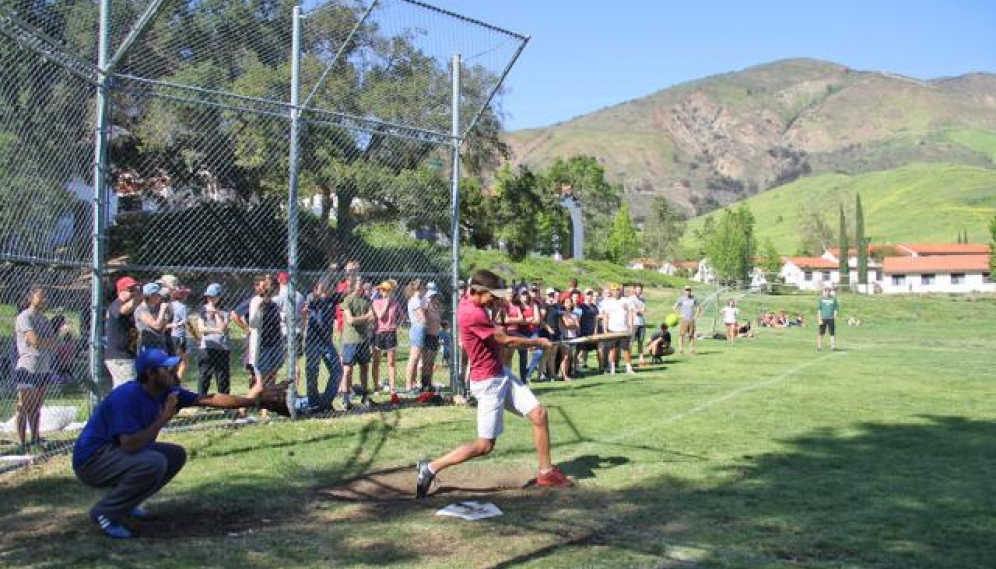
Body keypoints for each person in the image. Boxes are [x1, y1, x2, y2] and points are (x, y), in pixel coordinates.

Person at [72, 348, 285, 539]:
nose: (174, 371)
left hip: (114, 454)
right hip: (92, 461)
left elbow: (209, 399)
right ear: (150, 374)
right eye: (167, 369)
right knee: (153, 462)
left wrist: (255, 401)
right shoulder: (127, 397)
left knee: (174, 455)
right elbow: (129, 445)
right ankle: (106, 513)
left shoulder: (166, 391)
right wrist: (165, 416)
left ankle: (127, 503)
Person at [415, 269, 573, 499]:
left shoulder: (475, 305)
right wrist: (536, 341)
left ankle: (546, 472)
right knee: (485, 445)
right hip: (488, 382)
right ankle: (430, 468)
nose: (496, 300)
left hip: (501, 373)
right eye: (493, 295)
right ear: (478, 291)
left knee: (539, 414)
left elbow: (496, 331)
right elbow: (505, 340)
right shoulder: (472, 313)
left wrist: (497, 313)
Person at [14, 287, 55, 452]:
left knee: (37, 407)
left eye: (46, 297)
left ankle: (35, 439)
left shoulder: (44, 319)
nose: (44, 299)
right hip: (28, 367)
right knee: (25, 406)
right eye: (41, 296)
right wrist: (44, 341)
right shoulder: (24, 317)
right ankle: (22, 443)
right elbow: (34, 341)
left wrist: (43, 341)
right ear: (30, 298)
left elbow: (54, 343)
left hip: (43, 368)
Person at [303, 278, 343, 412]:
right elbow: (312, 301)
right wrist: (319, 292)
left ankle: (325, 403)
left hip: (327, 343)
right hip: (313, 342)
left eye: (331, 287)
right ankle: (313, 403)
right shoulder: (312, 298)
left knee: (337, 370)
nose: (329, 289)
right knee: (312, 373)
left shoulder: (332, 299)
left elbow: (348, 291)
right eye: (325, 287)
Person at [340, 277, 375, 409]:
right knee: (348, 370)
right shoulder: (348, 300)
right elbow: (350, 321)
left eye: (362, 285)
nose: (362, 288)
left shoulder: (367, 299)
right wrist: (366, 317)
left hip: (364, 340)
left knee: (365, 368)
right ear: (354, 286)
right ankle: (345, 397)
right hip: (350, 340)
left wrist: (362, 318)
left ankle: (365, 396)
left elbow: (373, 317)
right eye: (359, 285)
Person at [105, 276, 140, 388]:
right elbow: (122, 311)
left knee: (122, 391)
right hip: (120, 357)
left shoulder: (130, 307)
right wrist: (138, 297)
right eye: (130, 290)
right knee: (127, 390)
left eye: (135, 289)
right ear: (120, 291)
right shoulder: (117, 304)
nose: (134, 293)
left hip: (126, 355)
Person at [196, 283, 231, 396]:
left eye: (213, 296)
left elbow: (223, 327)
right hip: (206, 347)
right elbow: (201, 329)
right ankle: (202, 400)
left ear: (220, 296)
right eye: (208, 296)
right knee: (204, 375)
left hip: (222, 348)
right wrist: (218, 330)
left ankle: (225, 402)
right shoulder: (202, 310)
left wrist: (216, 313)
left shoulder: (225, 310)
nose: (210, 299)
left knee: (222, 377)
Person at [370, 280, 401, 398]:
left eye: (388, 290)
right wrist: (387, 304)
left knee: (391, 362)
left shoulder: (395, 303)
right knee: (376, 361)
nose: (385, 292)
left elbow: (401, 316)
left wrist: (396, 324)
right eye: (383, 290)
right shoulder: (376, 302)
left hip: (391, 333)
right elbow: (380, 316)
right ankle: (376, 387)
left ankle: (393, 389)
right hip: (379, 333)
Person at [599, 283, 634, 374]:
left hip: (624, 329)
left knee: (626, 349)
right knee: (613, 349)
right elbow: (605, 316)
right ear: (611, 291)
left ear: (620, 291)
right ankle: (612, 368)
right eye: (613, 290)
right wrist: (605, 329)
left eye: (617, 290)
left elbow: (630, 314)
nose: (616, 292)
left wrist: (631, 327)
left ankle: (629, 367)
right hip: (613, 329)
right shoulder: (608, 302)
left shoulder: (626, 301)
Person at [404, 279, 427, 394]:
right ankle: (408, 385)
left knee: (416, 358)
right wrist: (425, 309)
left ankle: (412, 383)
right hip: (418, 329)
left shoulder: (416, 300)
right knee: (413, 358)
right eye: (423, 287)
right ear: (419, 288)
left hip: (417, 328)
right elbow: (423, 318)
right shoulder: (415, 300)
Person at [673, 286, 701, 355]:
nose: (687, 291)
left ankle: (692, 350)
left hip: (691, 320)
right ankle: (681, 350)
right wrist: (678, 315)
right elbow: (674, 307)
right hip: (684, 320)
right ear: (684, 291)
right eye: (686, 290)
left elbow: (699, 307)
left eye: (689, 290)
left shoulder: (694, 299)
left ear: (691, 291)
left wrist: (696, 315)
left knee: (691, 335)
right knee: (682, 335)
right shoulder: (681, 299)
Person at [627, 284, 648, 365]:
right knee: (631, 342)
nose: (639, 291)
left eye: (640, 290)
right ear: (634, 290)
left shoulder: (643, 299)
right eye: (638, 289)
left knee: (641, 341)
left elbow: (645, 310)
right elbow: (635, 311)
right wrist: (640, 310)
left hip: (642, 323)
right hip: (634, 323)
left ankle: (641, 359)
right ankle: (629, 359)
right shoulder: (631, 299)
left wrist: (640, 310)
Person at [817, 286, 840, 352]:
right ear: (823, 291)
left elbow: (836, 309)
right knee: (821, 333)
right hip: (823, 318)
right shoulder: (821, 299)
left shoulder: (833, 299)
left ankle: (833, 347)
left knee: (832, 333)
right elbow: (819, 310)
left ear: (830, 292)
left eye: (828, 291)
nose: (827, 292)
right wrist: (819, 319)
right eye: (825, 291)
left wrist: (834, 317)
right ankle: (819, 347)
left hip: (831, 319)